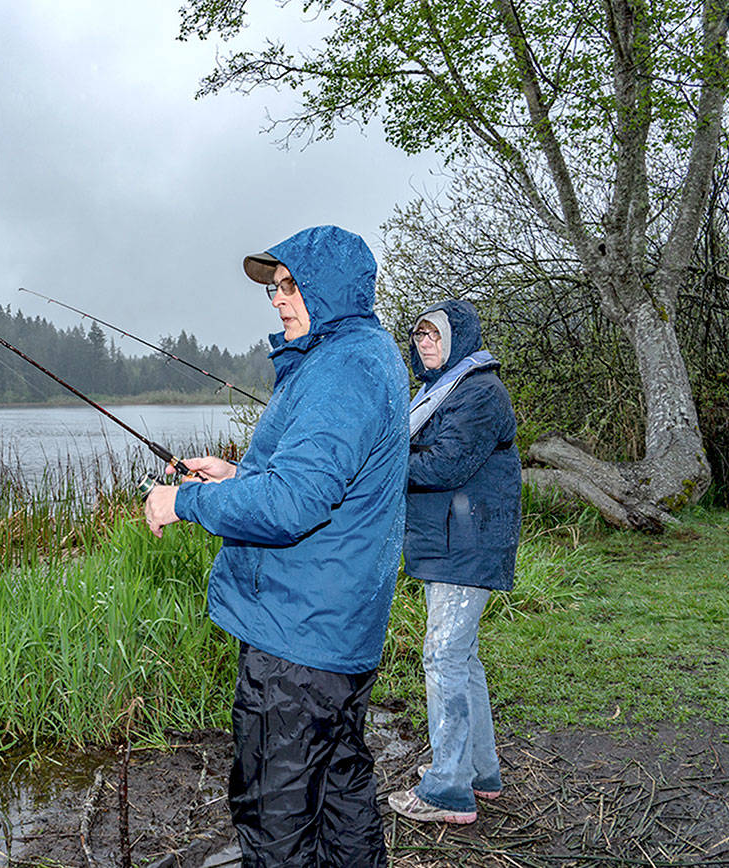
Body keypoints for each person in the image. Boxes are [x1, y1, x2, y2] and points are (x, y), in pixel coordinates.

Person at [144, 225, 408, 867]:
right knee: (342, 790)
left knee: (274, 816)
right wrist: (236, 475)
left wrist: (184, 501)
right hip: (334, 632)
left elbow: (293, 504)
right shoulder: (361, 355)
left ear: (331, 288)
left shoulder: (342, 368)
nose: (280, 299)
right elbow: (326, 482)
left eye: (292, 285)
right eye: (275, 289)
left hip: (299, 638)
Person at [387, 299, 522, 825]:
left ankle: (448, 790)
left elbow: (446, 464)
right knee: (461, 659)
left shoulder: (479, 392)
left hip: (467, 544)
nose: (425, 343)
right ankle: (480, 773)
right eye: (419, 335)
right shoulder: (441, 391)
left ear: (458, 338)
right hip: (450, 543)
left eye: (435, 334)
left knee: (443, 657)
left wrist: (380, 460)